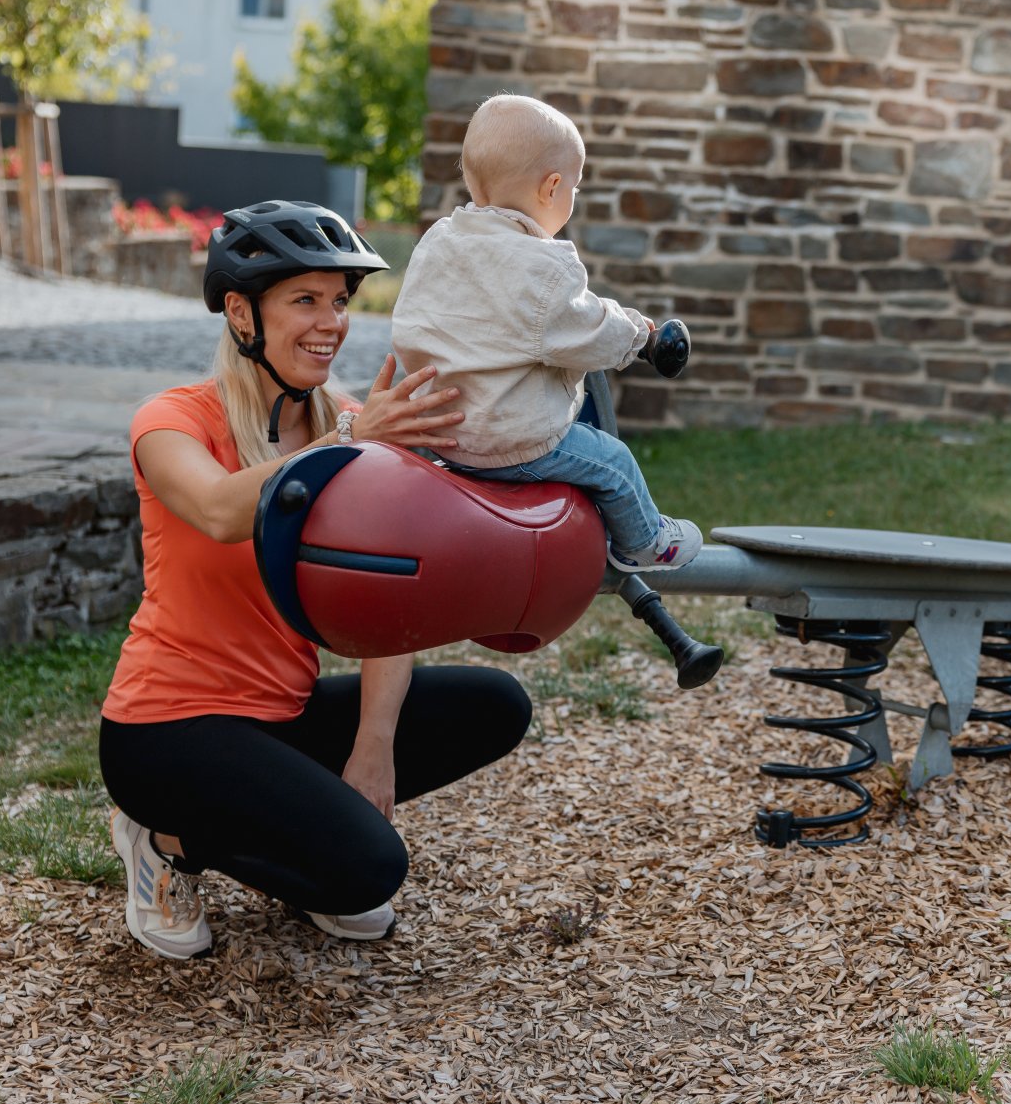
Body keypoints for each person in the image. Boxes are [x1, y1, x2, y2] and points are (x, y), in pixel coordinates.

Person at [98, 199, 533, 960]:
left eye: (339, 301)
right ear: (241, 312)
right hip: (165, 728)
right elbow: (218, 508)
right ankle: (165, 841)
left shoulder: (352, 425)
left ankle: (295, 831)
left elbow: (396, 601)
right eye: (304, 299)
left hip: (281, 715)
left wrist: (373, 742)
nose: (330, 321)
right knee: (370, 869)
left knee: (498, 704)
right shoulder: (171, 420)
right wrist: (351, 442)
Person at [390, 93, 701, 573]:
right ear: (551, 188)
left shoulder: (440, 242)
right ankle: (643, 543)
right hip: (506, 441)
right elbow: (588, 328)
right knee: (612, 461)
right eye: (574, 188)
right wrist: (641, 335)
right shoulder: (544, 267)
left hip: (440, 432)